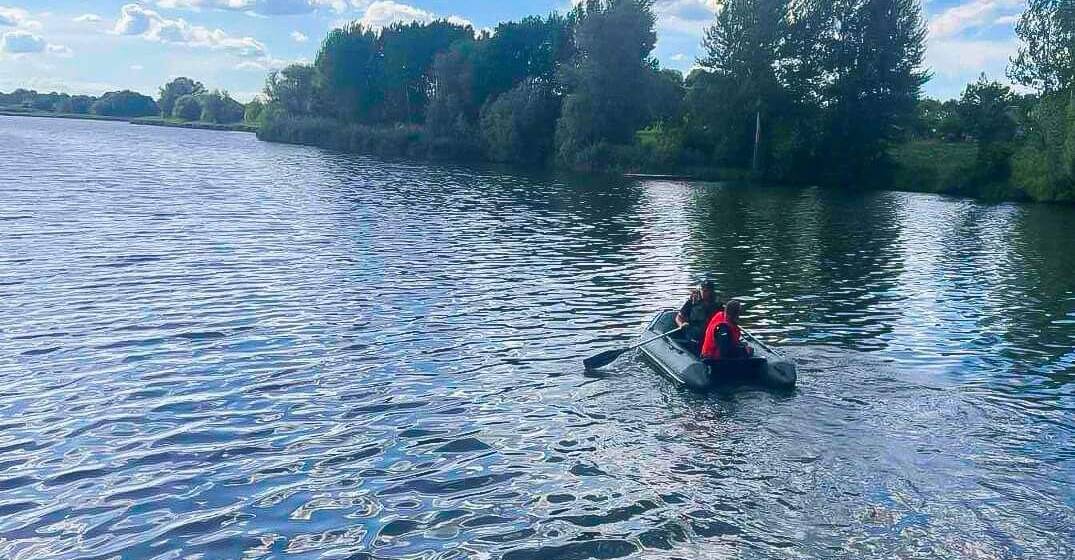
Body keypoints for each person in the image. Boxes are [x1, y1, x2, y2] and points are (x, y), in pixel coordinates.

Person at [675, 279, 722, 353]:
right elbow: (679, 317)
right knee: (695, 341)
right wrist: (681, 325)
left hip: (710, 332)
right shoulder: (693, 301)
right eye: (702, 290)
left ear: (711, 292)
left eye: (706, 291)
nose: (703, 292)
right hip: (693, 331)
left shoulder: (717, 304)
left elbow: (723, 318)